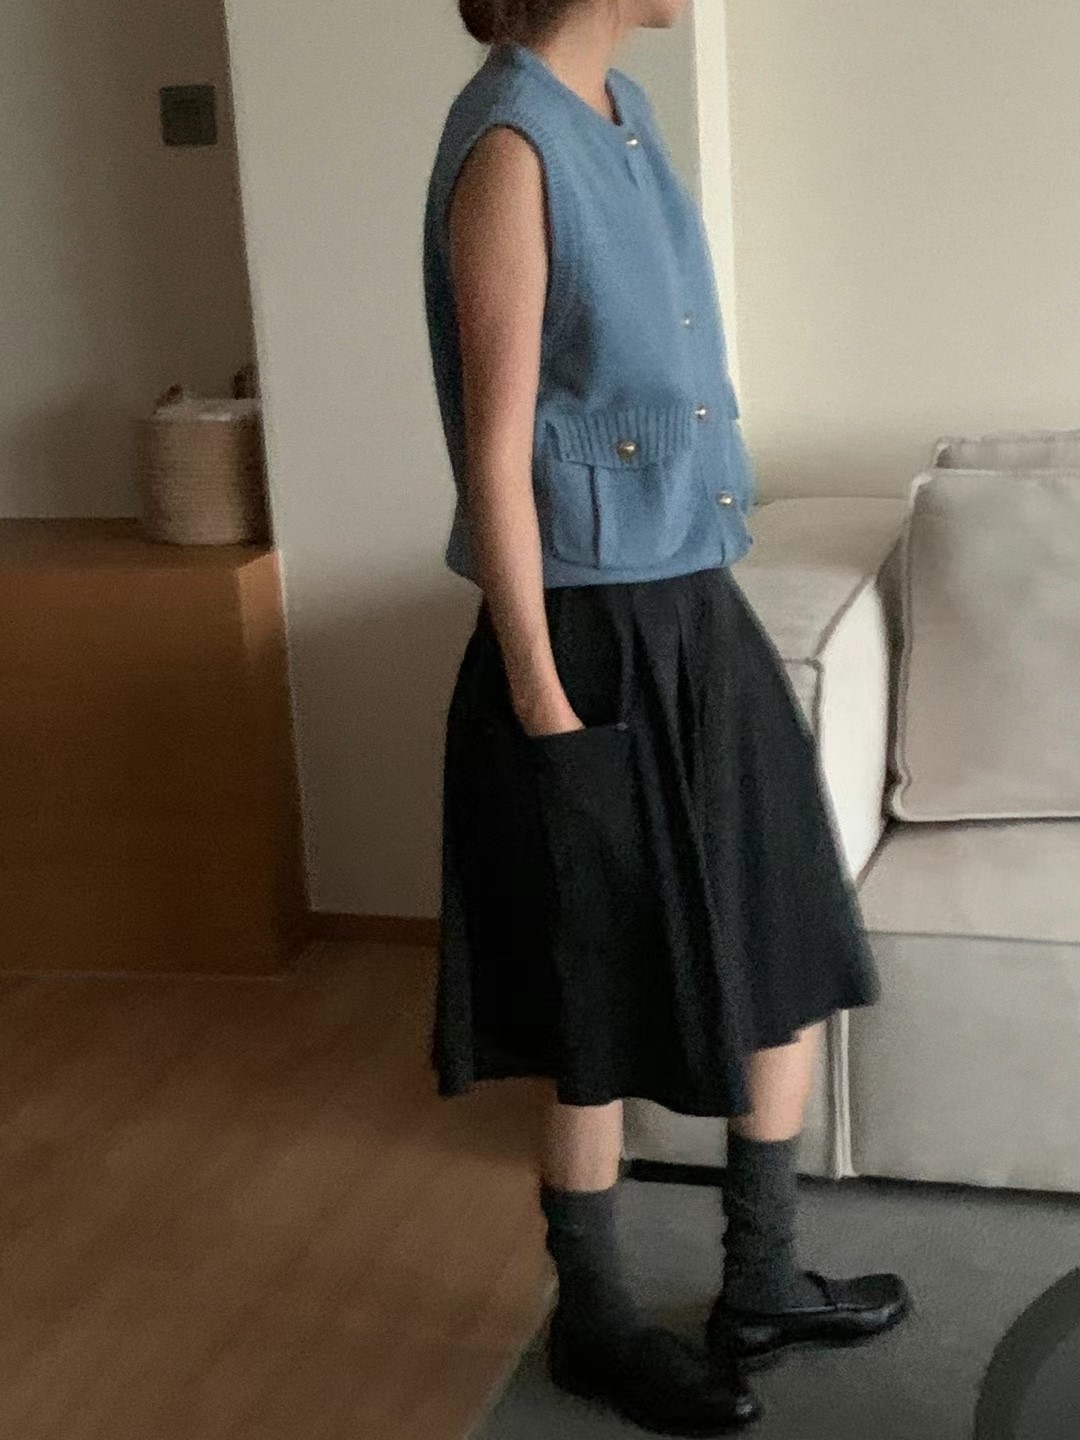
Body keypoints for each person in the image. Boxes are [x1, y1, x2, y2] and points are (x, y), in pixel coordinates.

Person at [423, 1, 910, 1432]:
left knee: (785, 938)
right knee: (596, 993)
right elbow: (495, 461)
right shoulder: (512, 148)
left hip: (696, 605)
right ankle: (592, 1321)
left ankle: (761, 1279)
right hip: (587, 637)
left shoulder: (622, 119)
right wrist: (543, 706)